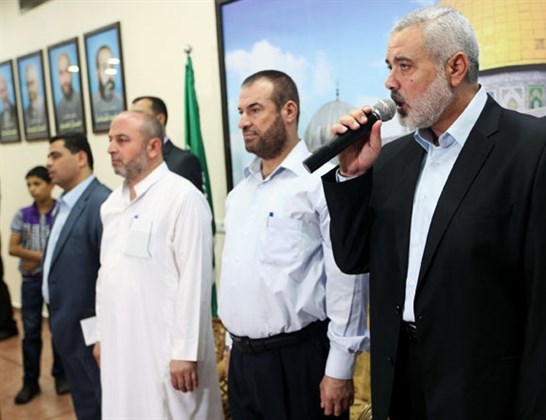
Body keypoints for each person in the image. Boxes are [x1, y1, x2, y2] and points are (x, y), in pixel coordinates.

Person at [321, 6, 546, 420]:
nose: (390, 82)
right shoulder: (391, 159)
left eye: (404, 66)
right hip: (401, 388)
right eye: (389, 67)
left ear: (455, 67)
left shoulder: (537, 150)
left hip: (486, 396)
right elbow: (354, 257)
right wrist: (352, 175)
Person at [218, 70, 369, 419]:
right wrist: (230, 344)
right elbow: (238, 276)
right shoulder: (239, 195)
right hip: (243, 363)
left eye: (254, 110)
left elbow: (347, 279)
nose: (242, 122)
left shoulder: (320, 184)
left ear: (289, 111)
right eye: (240, 112)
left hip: (299, 361)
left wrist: (340, 368)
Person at [94, 110, 223, 419]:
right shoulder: (112, 205)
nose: (111, 148)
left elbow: (195, 279)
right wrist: (101, 334)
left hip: (166, 350)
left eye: (122, 140)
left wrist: (185, 352)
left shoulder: (182, 198)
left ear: (153, 147)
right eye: (111, 140)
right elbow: (106, 276)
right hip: (121, 344)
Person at [44, 133, 110, 420]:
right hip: (68, 327)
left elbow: (110, 275)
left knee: (103, 404)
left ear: (81, 158)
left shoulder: (101, 203)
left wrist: (102, 333)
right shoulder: (64, 204)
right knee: (85, 404)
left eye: (56, 156)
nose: (48, 163)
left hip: (92, 332)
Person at [9, 166, 68, 404]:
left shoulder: (61, 212)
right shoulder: (22, 215)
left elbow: (66, 247)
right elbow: (13, 247)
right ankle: (30, 381)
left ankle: (61, 375)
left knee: (58, 330)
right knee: (31, 331)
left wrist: (36, 258)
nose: (32, 189)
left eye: (37, 184)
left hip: (56, 282)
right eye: (29, 185)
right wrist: (44, 257)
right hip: (31, 282)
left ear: (51, 185)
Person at [130, 96, 203, 191]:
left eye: (140, 114)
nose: (134, 121)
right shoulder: (134, 160)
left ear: (160, 119)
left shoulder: (184, 162)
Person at [91, 45, 123, 124]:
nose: (109, 74)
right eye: (104, 67)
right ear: (97, 73)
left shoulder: (121, 100)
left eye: (111, 66)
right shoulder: (93, 102)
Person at [55, 53, 83, 133]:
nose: (65, 79)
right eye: (61, 73)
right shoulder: (59, 107)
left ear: (71, 73)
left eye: (67, 71)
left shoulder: (80, 100)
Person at [24, 63, 48, 129]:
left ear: (38, 83)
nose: (29, 89)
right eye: (27, 84)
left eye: (32, 83)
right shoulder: (26, 113)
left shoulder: (46, 106)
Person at [0, 73, 19, 138]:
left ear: (8, 89)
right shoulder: (1, 116)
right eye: (0, 92)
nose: (3, 95)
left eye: (3, 90)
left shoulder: (17, 110)